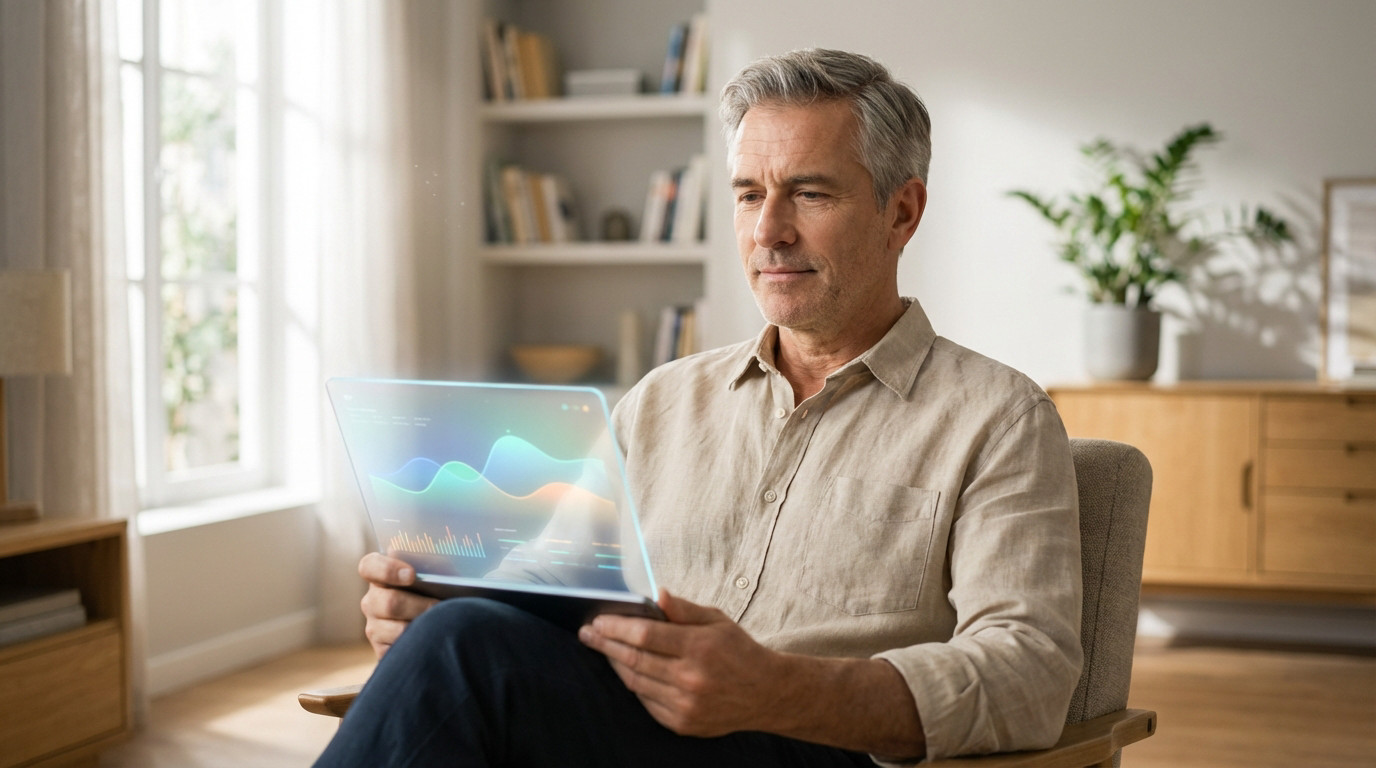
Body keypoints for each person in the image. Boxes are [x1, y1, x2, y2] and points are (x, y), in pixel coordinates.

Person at [316, 48, 1082, 767]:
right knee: (461, 633)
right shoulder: (659, 402)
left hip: (818, 747)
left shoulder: (999, 417)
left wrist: (780, 689)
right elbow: (543, 595)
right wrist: (424, 612)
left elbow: (1031, 672)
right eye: (750, 195)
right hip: (624, 732)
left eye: (810, 193)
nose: (768, 232)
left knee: (463, 649)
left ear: (902, 213)